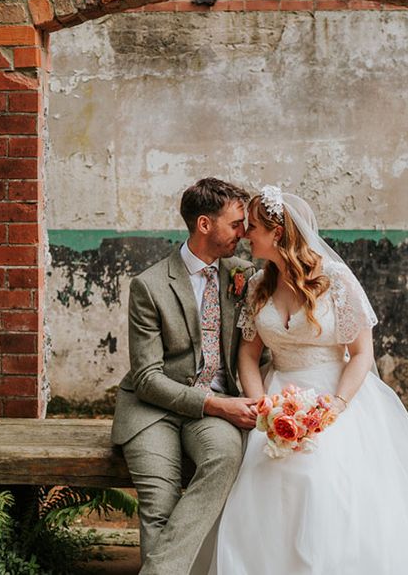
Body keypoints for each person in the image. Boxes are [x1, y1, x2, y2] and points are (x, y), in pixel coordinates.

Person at [209, 186, 408, 575]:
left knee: (318, 474)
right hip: (277, 396)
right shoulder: (258, 286)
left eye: (252, 226)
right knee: (265, 478)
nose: (244, 234)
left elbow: (361, 354)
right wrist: (264, 409)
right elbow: (248, 356)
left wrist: (336, 407)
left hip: (338, 395)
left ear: (277, 232)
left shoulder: (335, 280)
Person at [111, 177, 261, 575]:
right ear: (204, 225)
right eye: (236, 224)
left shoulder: (242, 274)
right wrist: (216, 404)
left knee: (225, 457)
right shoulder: (150, 285)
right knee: (158, 506)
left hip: (215, 410)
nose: (243, 233)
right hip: (152, 410)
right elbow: (146, 378)